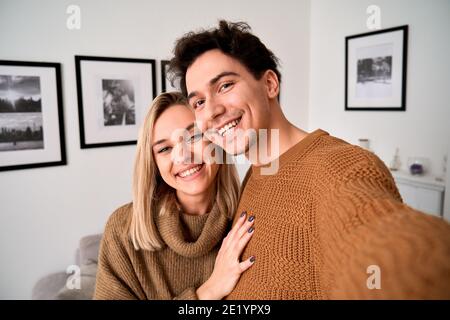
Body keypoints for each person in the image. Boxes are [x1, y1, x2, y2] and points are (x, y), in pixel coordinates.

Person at [168, 20, 450, 299]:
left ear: (269, 84)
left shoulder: (341, 166)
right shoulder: (257, 173)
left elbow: (386, 246)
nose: (212, 111)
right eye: (199, 102)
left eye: (225, 85)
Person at [94, 92, 256, 299]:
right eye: (164, 149)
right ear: (153, 163)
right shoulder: (123, 228)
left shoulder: (246, 217)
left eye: (195, 136)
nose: (183, 156)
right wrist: (208, 292)